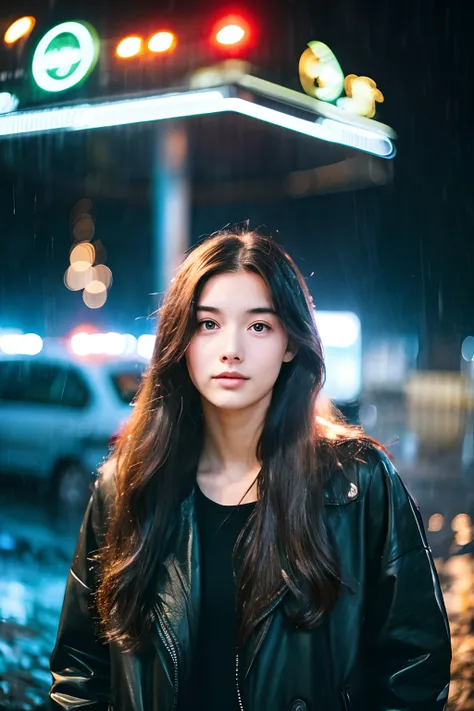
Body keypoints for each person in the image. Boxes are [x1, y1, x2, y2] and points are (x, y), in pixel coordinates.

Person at [49, 230, 451, 711]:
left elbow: (414, 669)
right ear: (182, 341)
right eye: (207, 324)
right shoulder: (127, 486)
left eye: (259, 326)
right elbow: (79, 672)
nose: (231, 349)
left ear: (290, 343)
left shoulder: (359, 482)